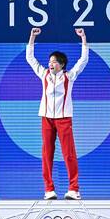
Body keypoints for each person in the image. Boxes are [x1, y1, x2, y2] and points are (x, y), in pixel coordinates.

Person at [26, 27, 88, 201]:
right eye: (49, 61)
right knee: (47, 153)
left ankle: (74, 189)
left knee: (68, 153)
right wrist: (32, 37)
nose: (50, 63)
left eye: (53, 61)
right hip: (46, 118)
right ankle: (49, 189)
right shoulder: (44, 74)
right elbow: (30, 59)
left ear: (61, 64)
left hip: (64, 119)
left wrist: (83, 39)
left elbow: (83, 60)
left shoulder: (69, 76)